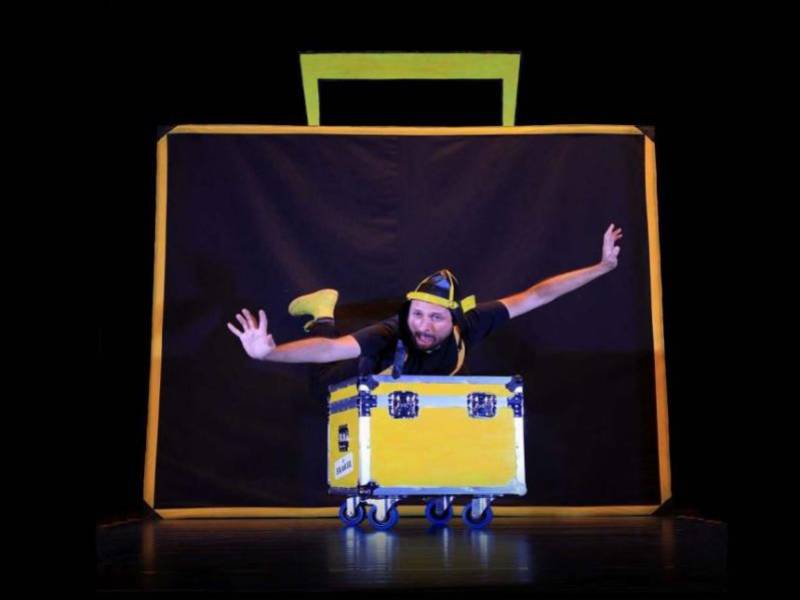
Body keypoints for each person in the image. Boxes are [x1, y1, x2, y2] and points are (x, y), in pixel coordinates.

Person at [227, 224, 623, 388]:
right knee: (326, 382)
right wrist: (270, 354)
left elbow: (536, 295)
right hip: (370, 377)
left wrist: (601, 267)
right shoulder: (393, 331)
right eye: (418, 314)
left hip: (424, 393)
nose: (423, 325)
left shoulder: (471, 323)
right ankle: (324, 310)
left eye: (435, 318)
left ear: (454, 319)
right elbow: (330, 350)